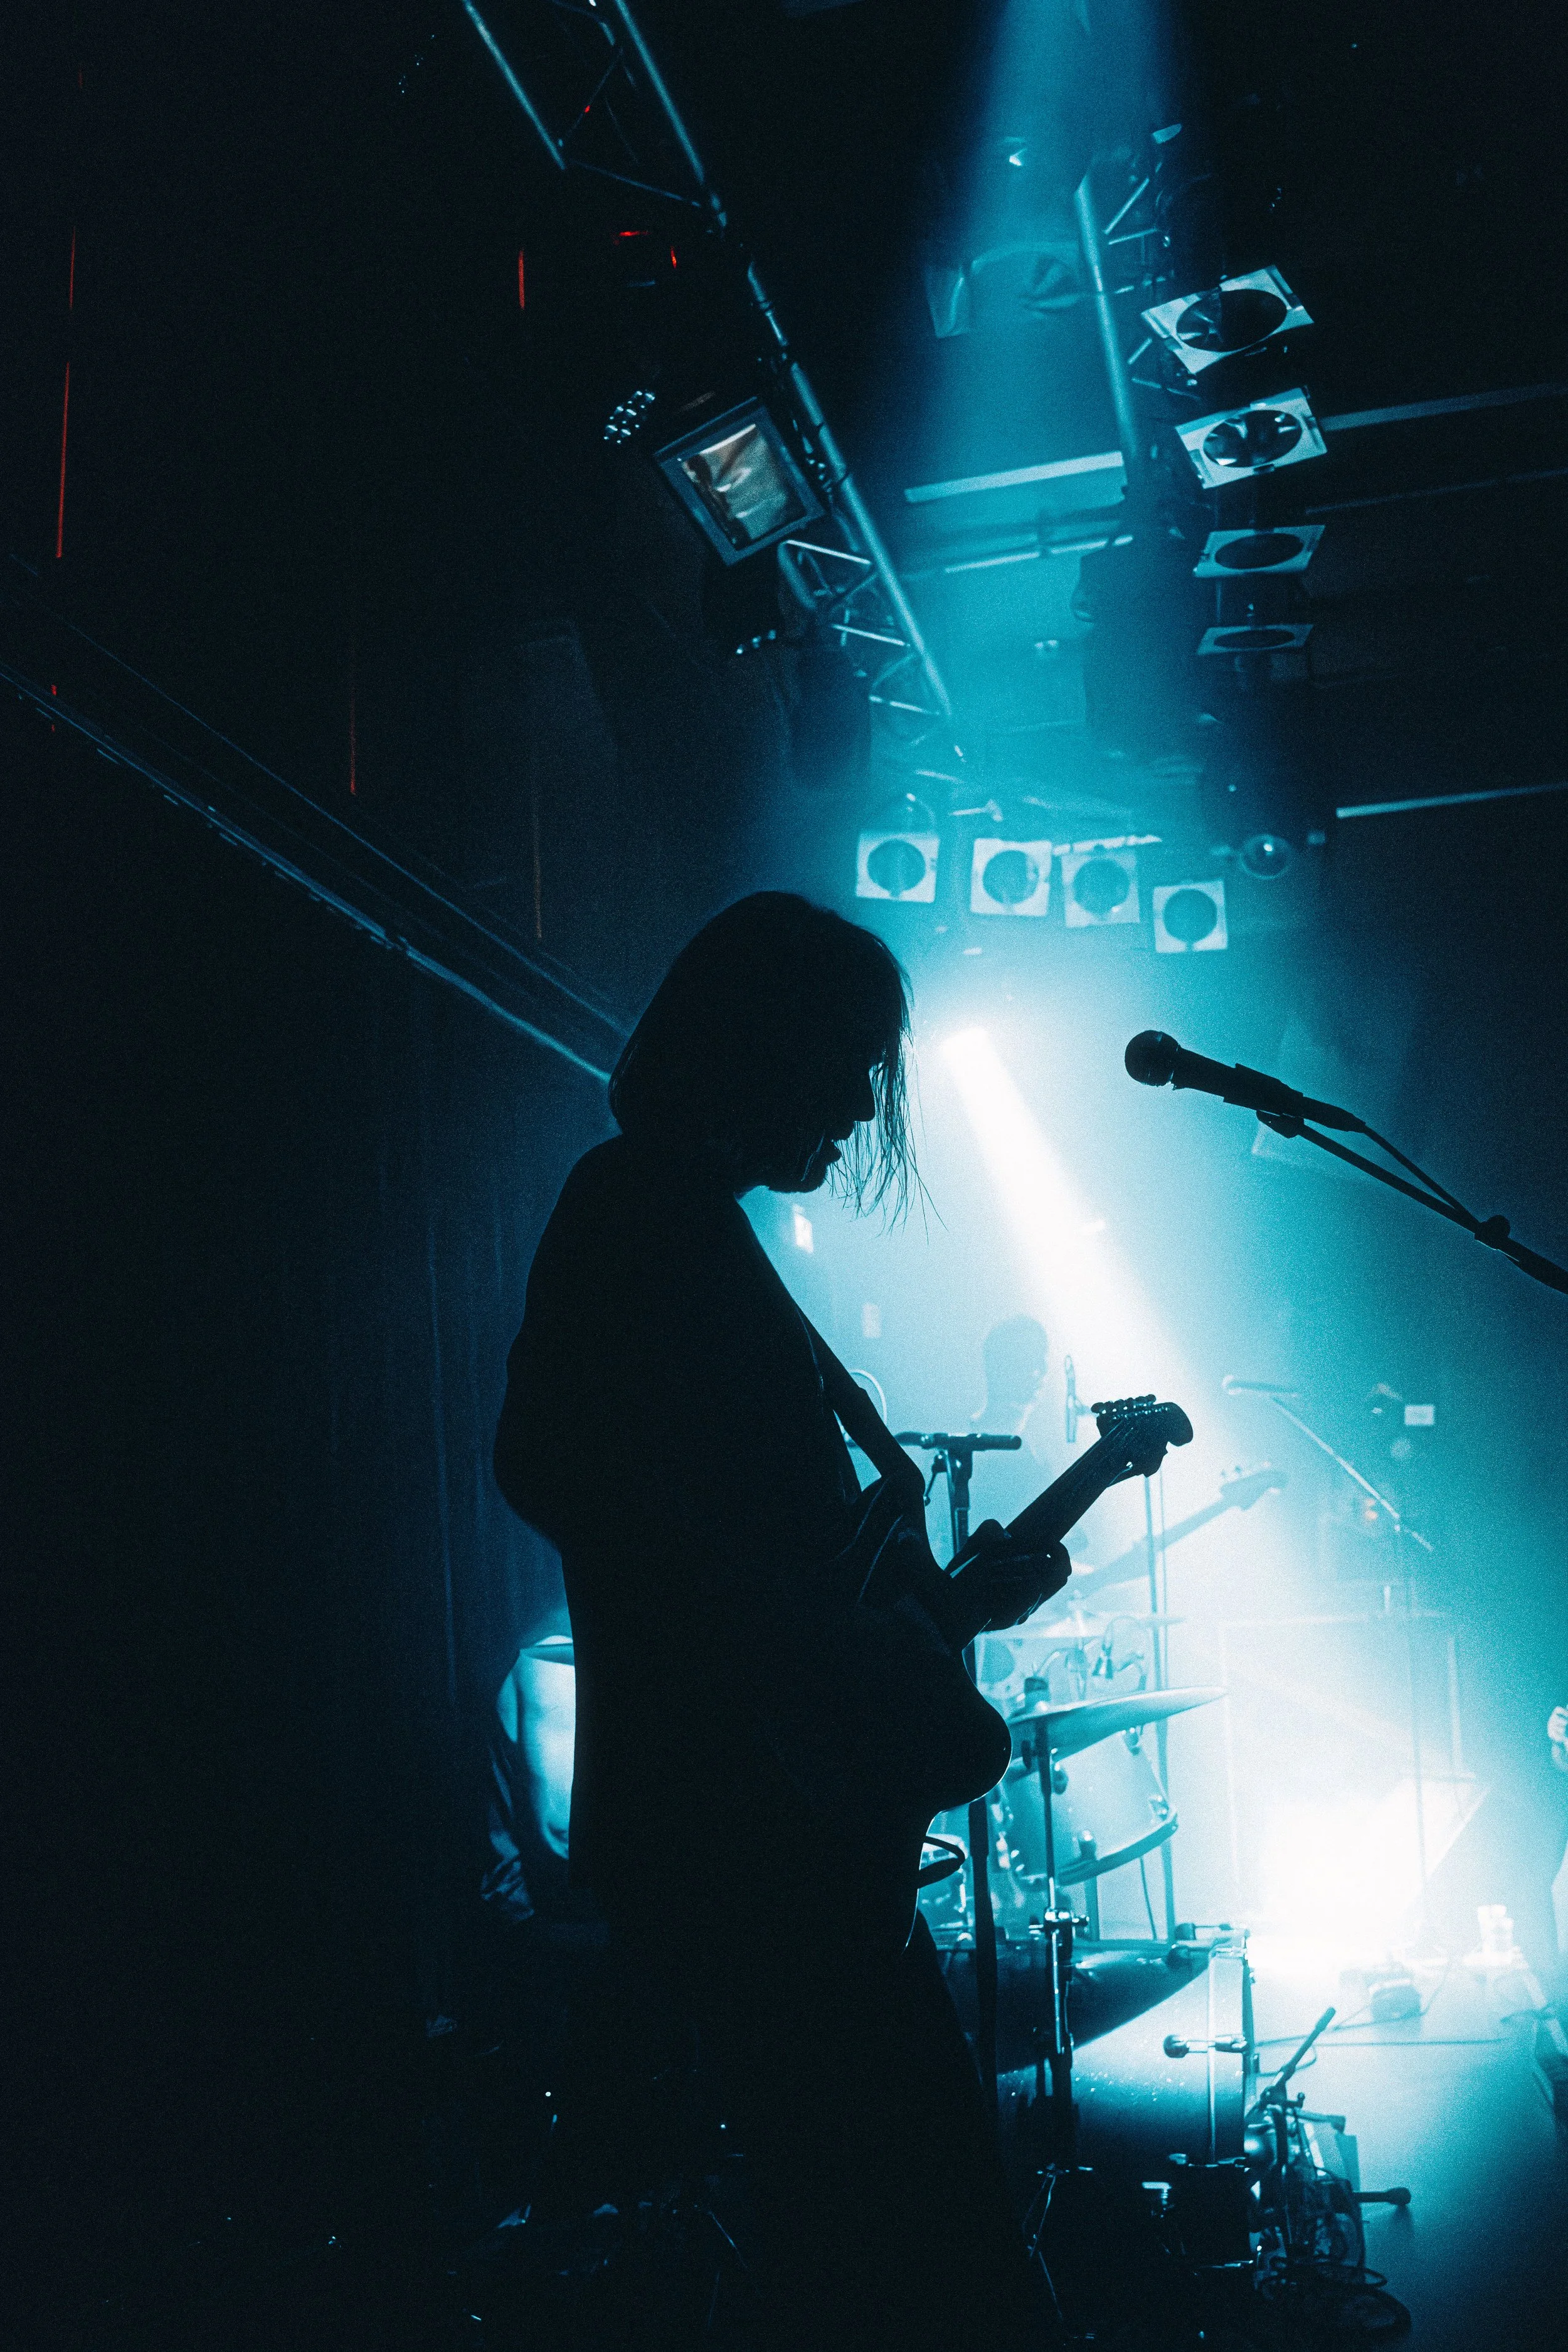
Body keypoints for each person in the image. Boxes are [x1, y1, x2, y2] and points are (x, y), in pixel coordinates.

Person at [493, 893, 1069, 2350]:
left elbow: (741, 1548)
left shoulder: (683, 1223)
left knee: (873, 2248)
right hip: (748, 1842)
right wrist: (806, 1634)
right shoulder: (637, 1210)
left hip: (765, 1838)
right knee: (921, 2257)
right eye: (849, 1062)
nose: (864, 1103)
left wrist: (917, 1615)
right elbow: (558, 1465)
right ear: (764, 1050)